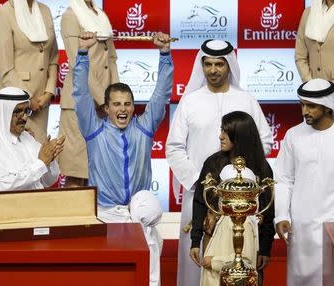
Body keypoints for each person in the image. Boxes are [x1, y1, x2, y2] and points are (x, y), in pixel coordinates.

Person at [165, 39, 273, 286]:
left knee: (241, 259)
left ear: (230, 66)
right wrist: (201, 184)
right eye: (208, 64)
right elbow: (174, 147)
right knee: (199, 257)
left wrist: (240, 180)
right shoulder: (190, 101)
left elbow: (263, 143)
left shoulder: (246, 100)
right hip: (200, 194)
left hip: (242, 198)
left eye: (219, 64)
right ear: (201, 65)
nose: (213, 70)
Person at [73, 31, 172, 286]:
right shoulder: (94, 131)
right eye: (116, 104)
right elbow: (81, 96)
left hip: (139, 214)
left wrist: (164, 54)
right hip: (106, 214)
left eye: (128, 104)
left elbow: (161, 95)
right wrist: (82, 54)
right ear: (106, 109)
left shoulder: (144, 128)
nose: (123, 109)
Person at [189, 111, 275, 285]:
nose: (220, 136)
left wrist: (265, 248)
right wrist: (195, 241)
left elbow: (268, 211)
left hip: (250, 242)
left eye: (226, 132)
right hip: (214, 238)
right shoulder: (212, 163)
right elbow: (200, 202)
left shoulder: (262, 168)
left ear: (240, 136)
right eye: (221, 130)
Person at [274, 78, 334, 286]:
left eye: (311, 106)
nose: (305, 111)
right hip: (300, 226)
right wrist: (281, 215)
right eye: (302, 105)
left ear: (327, 106)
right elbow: (284, 179)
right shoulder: (293, 135)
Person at [59, 0, 119, 187]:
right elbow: (77, 61)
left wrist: (116, 99)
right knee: (76, 171)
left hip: (104, 104)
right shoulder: (70, 15)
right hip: (79, 102)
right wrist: (103, 100)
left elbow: (112, 60)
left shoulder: (101, 15)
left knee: (98, 172)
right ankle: (71, 216)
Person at [0, 87, 64, 193]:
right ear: (4, 113)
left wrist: (49, 159)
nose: (24, 118)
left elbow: (48, 181)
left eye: (26, 111)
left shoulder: (27, 139)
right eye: (18, 111)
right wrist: (41, 163)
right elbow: (3, 187)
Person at [0, 0, 59, 142]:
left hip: (41, 102)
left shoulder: (45, 10)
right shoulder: (4, 13)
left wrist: (49, 92)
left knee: (38, 153)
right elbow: (5, 68)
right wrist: (27, 98)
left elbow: (53, 57)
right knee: (15, 154)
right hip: (15, 102)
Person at [295, 0, 334, 108]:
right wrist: (313, 90)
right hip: (314, 103)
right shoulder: (308, 13)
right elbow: (300, 57)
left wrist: (331, 95)